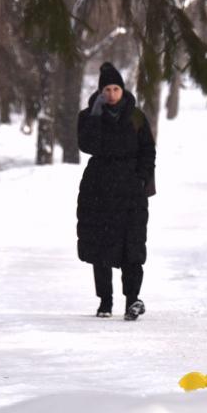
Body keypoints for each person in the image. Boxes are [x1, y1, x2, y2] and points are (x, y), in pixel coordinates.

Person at [76, 62, 156, 321]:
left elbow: (148, 150)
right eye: (107, 90)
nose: (111, 94)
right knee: (101, 246)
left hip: (130, 190)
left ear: (122, 90)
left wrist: (141, 177)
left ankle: (133, 299)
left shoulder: (136, 116)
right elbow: (87, 145)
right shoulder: (88, 116)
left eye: (115, 89)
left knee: (132, 245)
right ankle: (105, 300)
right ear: (100, 92)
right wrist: (96, 117)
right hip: (98, 188)